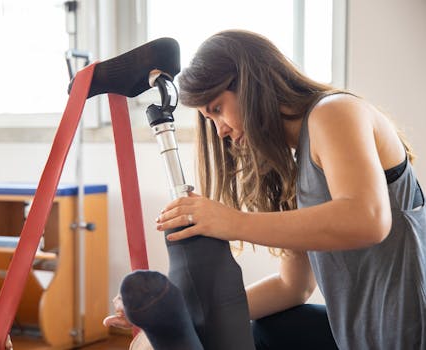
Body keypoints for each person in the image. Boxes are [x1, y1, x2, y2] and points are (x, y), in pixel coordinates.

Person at [107, 29, 425, 350]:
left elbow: (366, 219)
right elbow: (293, 286)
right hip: (358, 337)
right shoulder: (298, 164)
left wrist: (230, 222)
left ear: (250, 83)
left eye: (217, 109)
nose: (220, 131)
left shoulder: (335, 112)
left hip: (410, 335)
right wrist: (172, 317)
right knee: (265, 329)